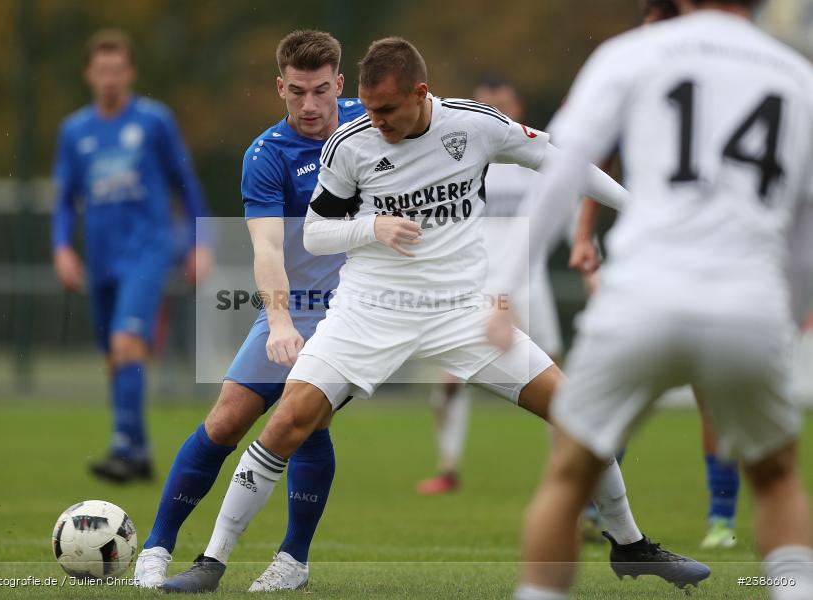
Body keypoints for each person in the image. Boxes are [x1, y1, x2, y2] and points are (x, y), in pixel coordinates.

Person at [161, 36, 709, 594]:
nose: (374, 122)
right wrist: (370, 227)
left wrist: (645, 212)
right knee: (285, 424)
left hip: (461, 311)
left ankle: (630, 544)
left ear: (420, 93)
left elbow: (562, 162)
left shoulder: (474, 126)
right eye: (369, 109)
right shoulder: (349, 145)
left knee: (580, 416)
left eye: (386, 110)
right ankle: (211, 562)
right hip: (369, 309)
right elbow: (320, 234)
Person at [513, 0, 813, 598]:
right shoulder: (797, 75)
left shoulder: (632, 53)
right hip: (746, 302)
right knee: (778, 480)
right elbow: (805, 231)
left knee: (569, 475)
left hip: (642, 295)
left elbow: (563, 167)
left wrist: (506, 278)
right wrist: (791, 317)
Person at [133, 30, 366, 591]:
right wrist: (280, 321)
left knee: (308, 420)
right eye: (296, 93)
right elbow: (265, 247)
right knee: (227, 417)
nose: (309, 106)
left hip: (360, 312)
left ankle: (292, 561)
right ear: (278, 88)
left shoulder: (375, 122)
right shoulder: (266, 156)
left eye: (320, 91)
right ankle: (156, 547)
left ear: (339, 84)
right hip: (294, 305)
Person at [569, 0, 742, 550]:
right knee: (614, 392)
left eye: (655, 32)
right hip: (643, 262)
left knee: (714, 393)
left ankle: (722, 517)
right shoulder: (635, 92)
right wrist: (581, 237)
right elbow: (595, 164)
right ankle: (599, 509)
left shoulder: (728, 93)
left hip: (713, 262)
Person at [51, 29, 212, 483]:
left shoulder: (154, 121)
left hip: (148, 251)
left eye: (118, 70)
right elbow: (65, 200)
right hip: (101, 257)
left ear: (131, 73)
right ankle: (139, 451)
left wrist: (201, 242)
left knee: (126, 342)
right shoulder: (75, 131)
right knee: (115, 356)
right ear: (88, 74)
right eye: (102, 70)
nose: (110, 79)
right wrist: (63, 248)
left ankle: (124, 446)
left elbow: (185, 182)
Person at [417, 77, 565, 496]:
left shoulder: (534, 161)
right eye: (487, 106)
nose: (495, 113)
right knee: (448, 382)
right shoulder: (462, 162)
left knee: (556, 384)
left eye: (502, 105)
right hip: (480, 286)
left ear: (516, 108)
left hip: (531, 284)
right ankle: (448, 467)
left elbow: (562, 219)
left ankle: (567, 471)